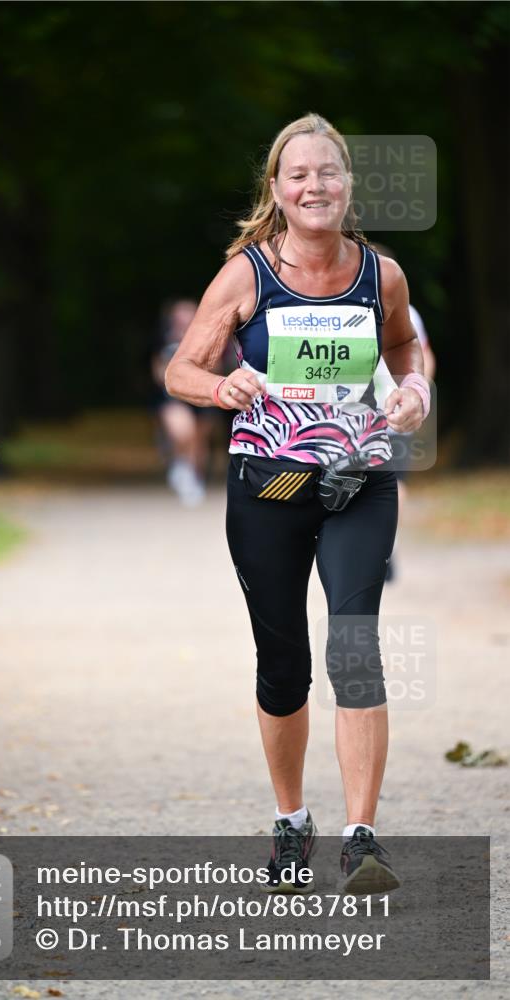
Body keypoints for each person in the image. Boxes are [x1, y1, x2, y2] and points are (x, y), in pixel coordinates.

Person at [165, 113, 430, 894]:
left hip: (358, 480)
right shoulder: (246, 275)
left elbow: (403, 346)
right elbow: (181, 370)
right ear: (276, 190)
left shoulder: (379, 274)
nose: (315, 186)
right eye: (298, 175)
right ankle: (291, 821)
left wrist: (413, 389)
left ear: (347, 183)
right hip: (269, 489)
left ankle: (361, 840)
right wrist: (220, 386)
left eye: (327, 172)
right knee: (283, 666)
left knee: (355, 647)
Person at [371, 244, 437, 582]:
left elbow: (423, 357)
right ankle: (380, 546)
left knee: (392, 483)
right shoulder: (408, 312)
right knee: (390, 483)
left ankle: (384, 547)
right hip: (369, 414)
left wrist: (416, 396)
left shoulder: (405, 313)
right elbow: (427, 356)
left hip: (392, 412)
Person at [151, 299, 218, 506]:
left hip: (201, 395)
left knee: (199, 439)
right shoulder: (164, 340)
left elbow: (215, 366)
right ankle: (180, 464)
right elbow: (157, 369)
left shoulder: (208, 338)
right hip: (173, 396)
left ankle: (194, 477)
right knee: (182, 432)